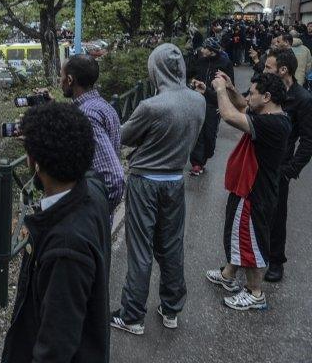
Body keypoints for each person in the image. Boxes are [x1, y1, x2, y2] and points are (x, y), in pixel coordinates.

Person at [1, 102, 111, 363]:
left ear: (34, 162)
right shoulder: (92, 190)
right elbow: (71, 138)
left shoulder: (65, 247)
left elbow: (55, 348)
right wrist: (41, 132)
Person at [110, 44, 205, 334]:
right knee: (171, 245)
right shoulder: (198, 101)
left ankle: (132, 315)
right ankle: (171, 308)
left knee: (140, 249)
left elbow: (122, 137)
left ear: (156, 70)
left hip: (145, 182)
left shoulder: (152, 106)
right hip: (175, 181)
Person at [203, 72, 290, 310]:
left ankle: (255, 292)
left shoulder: (273, 124)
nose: (248, 96)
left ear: (267, 97)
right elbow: (243, 107)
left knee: (248, 240)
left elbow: (232, 116)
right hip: (249, 187)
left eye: (252, 93)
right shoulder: (268, 114)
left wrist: (221, 89)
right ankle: (229, 275)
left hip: (255, 192)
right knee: (237, 234)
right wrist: (231, 88)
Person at [262, 48, 312, 282]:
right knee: (252, 211)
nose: (264, 71)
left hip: (279, 168)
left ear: (284, 70)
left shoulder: (302, 98)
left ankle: (275, 261)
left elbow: (308, 140)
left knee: (276, 215)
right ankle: (250, 256)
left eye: (268, 67)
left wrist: (290, 170)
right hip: (258, 160)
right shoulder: (269, 90)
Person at [59, 55, 125, 216]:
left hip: (89, 216)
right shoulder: (102, 106)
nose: (59, 81)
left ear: (69, 79)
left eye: (61, 76)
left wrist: (96, 212)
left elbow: (114, 178)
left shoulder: (87, 115)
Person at [188, 37, 234, 175]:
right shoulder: (201, 60)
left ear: (212, 51)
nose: (202, 50)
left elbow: (231, 87)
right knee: (198, 133)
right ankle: (197, 163)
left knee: (209, 134)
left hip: (214, 103)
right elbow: (188, 73)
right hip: (198, 101)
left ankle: (206, 155)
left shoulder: (225, 63)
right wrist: (193, 82)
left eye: (204, 48)